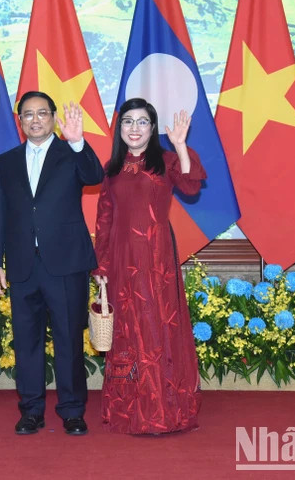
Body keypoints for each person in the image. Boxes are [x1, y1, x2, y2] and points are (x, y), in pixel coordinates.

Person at [0, 91, 104, 436]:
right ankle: (31, 410)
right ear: (19, 121)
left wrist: (79, 141)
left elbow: (95, 175)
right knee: (27, 342)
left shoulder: (71, 152)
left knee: (68, 338)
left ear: (53, 117)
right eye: (27, 115)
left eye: (41, 113)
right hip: (23, 265)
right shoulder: (5, 161)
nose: (35, 120)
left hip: (66, 263)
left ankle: (72, 411)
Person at [93, 97, 204, 434]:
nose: (135, 128)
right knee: (128, 329)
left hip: (157, 259)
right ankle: (129, 409)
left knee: (159, 327)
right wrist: (101, 270)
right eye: (128, 121)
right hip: (122, 258)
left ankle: (165, 409)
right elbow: (104, 222)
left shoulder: (166, 161)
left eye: (142, 122)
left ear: (153, 128)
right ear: (120, 129)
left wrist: (182, 145)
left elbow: (191, 184)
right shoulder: (111, 169)